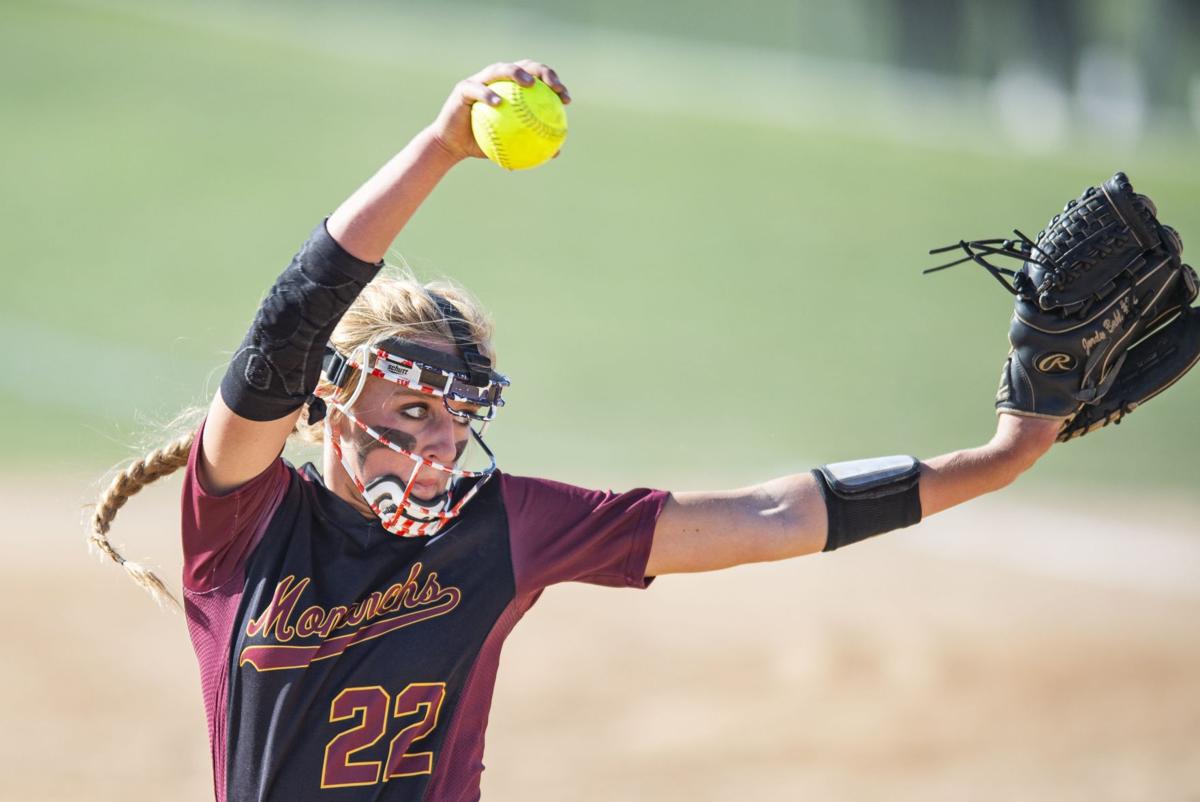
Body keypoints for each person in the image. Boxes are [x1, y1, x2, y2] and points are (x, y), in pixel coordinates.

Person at [89, 60, 1061, 802]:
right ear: (325, 404)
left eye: (457, 418)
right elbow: (291, 316)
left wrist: (998, 458)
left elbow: (769, 512)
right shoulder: (243, 520)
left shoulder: (496, 527)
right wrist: (440, 145)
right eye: (412, 409)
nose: (437, 444)